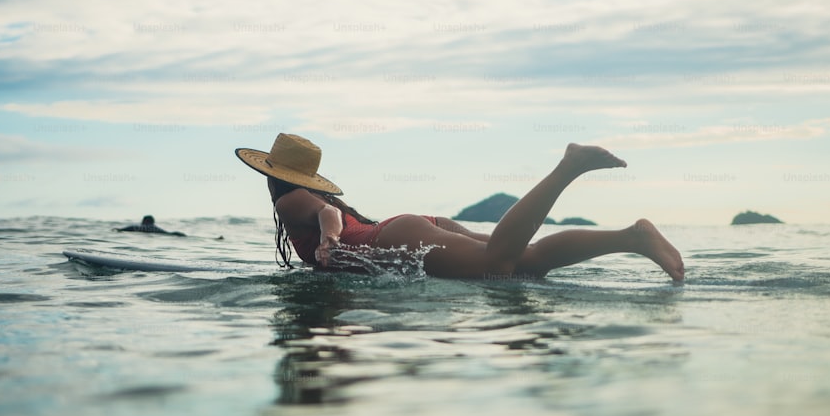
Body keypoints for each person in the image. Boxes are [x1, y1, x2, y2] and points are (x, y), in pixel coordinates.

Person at [235, 133, 684, 281]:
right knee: (522, 263)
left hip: (397, 237)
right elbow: (329, 210)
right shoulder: (316, 196)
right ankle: (632, 237)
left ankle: (568, 168)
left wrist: (330, 240)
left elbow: (326, 218)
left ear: (274, 172)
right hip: (408, 229)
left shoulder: (292, 199)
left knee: (498, 262)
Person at [114, 215, 186, 236]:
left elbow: (132, 228)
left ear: (144, 221)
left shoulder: (141, 227)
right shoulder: (157, 229)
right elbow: (169, 233)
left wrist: (120, 230)